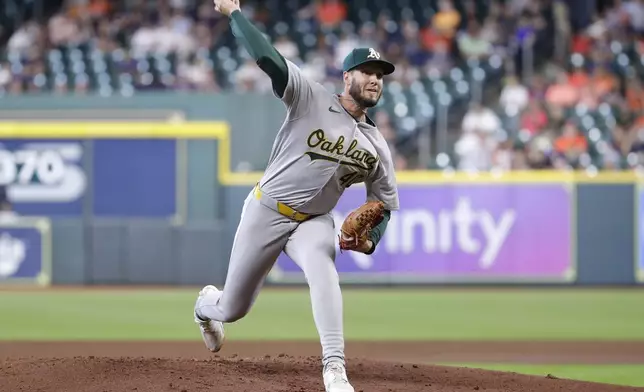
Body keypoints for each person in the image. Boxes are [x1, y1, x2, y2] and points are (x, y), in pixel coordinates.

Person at [193, 1, 399, 391]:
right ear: (347, 76)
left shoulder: (376, 147)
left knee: (324, 266)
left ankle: (334, 368)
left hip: (313, 222)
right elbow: (268, 57)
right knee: (232, 308)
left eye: (381, 75)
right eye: (367, 72)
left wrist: (371, 237)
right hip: (266, 210)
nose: (375, 79)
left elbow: (384, 203)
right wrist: (235, 14)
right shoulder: (311, 97)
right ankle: (205, 308)